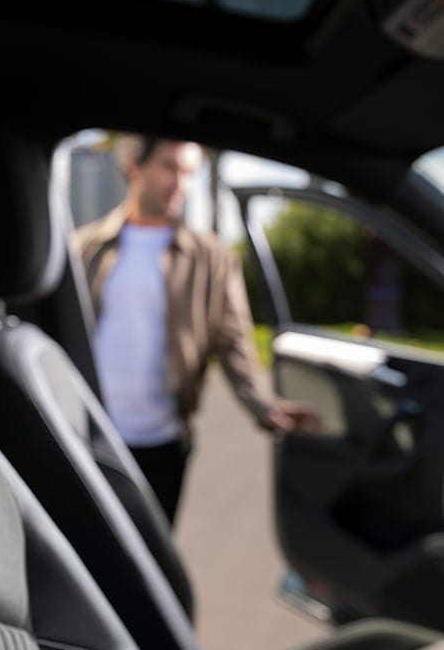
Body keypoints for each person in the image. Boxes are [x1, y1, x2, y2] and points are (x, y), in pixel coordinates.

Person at [72, 135, 318, 525]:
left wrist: (265, 406)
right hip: (89, 439)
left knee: (150, 568)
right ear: (135, 165)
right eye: (169, 167)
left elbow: (235, 342)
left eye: (188, 173)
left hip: (163, 446)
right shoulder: (86, 247)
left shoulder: (213, 258)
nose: (180, 184)